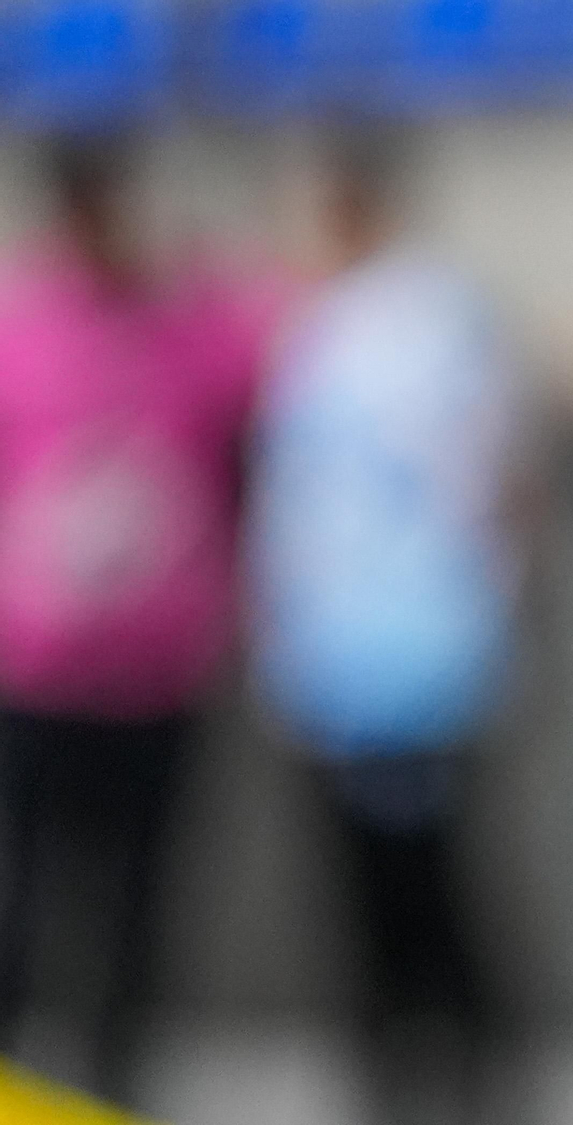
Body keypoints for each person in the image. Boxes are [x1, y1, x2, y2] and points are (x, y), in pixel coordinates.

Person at [246, 134, 524, 1125]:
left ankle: (474, 1070)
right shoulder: (303, 324)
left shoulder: (434, 318)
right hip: (331, 657)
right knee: (355, 896)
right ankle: (388, 1074)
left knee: (436, 887)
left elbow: (492, 488)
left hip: (427, 651)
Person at [0, 138, 276, 1108]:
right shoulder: (19, 324)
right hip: (36, 672)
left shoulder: (194, 321)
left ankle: (110, 1086)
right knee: (25, 902)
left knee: (137, 906)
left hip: (158, 670)